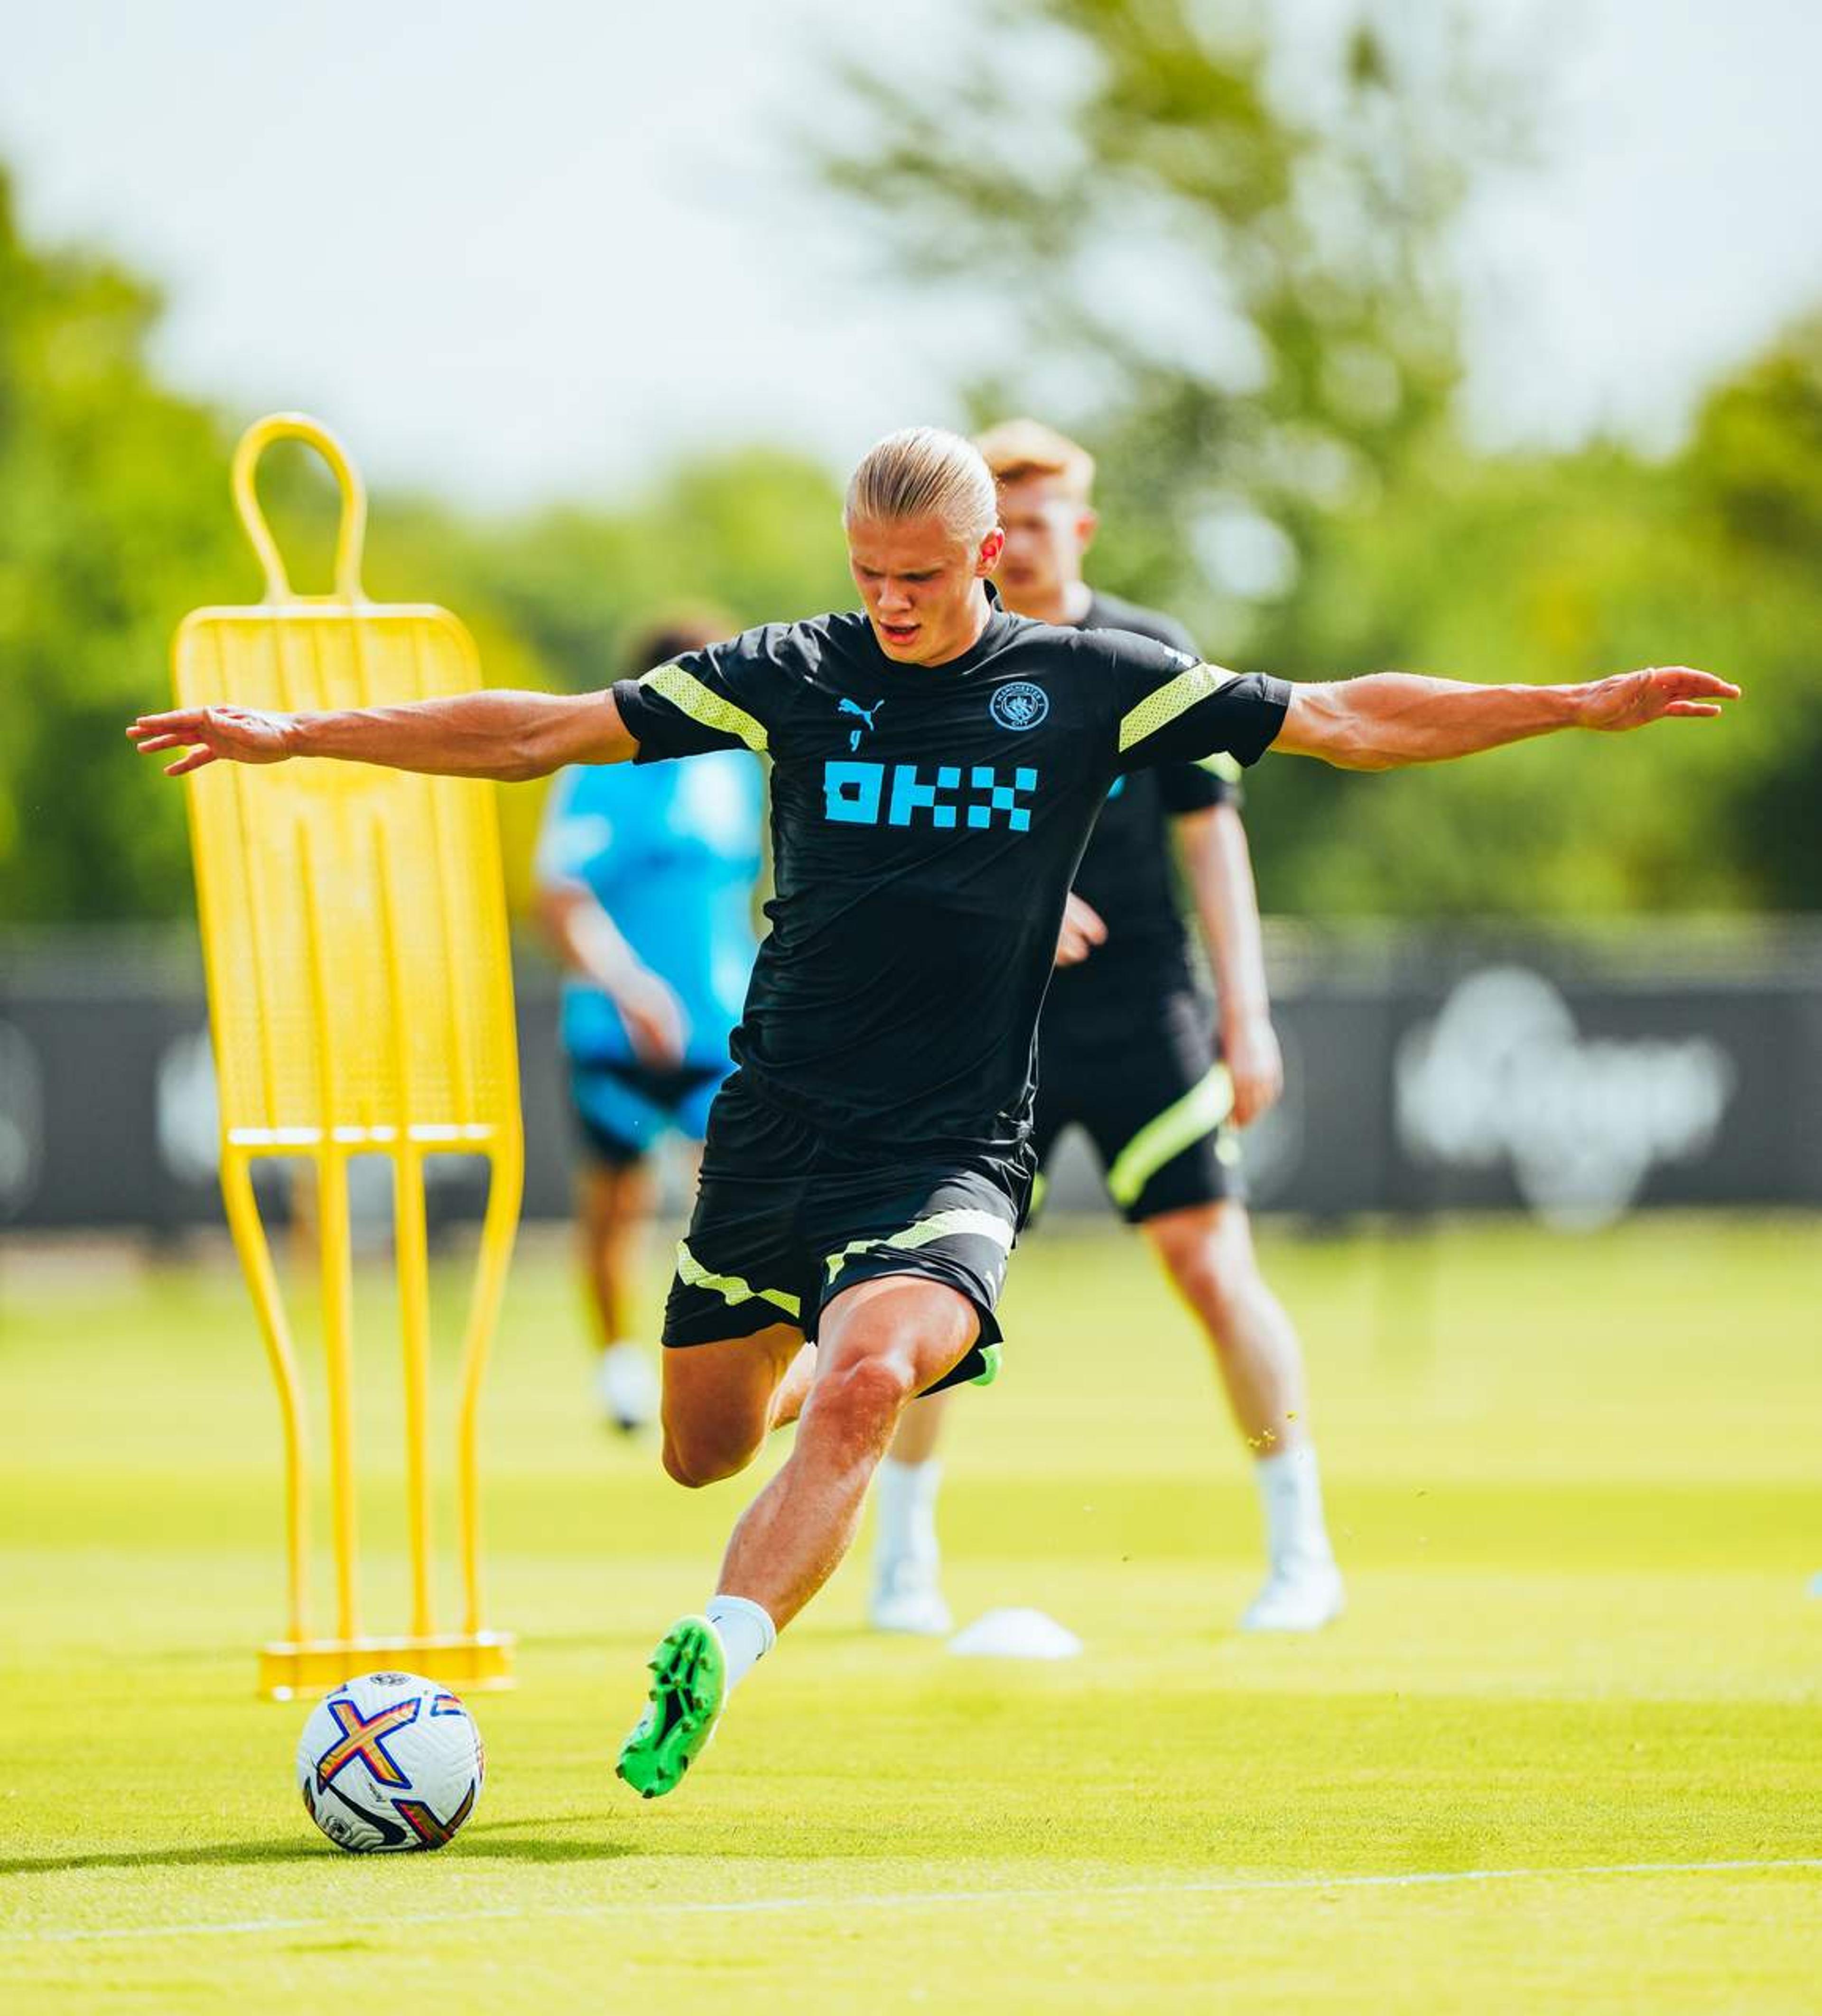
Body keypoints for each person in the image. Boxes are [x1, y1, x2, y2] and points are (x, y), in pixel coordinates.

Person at [130, 425, 1736, 1801]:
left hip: (955, 1141)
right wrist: (295, 735)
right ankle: (775, 1463)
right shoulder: (791, 671)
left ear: (991, 557)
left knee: (873, 1372)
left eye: (923, 574)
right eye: (869, 571)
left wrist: (1570, 704)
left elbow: (1348, 717)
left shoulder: (1100, 680)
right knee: (705, 1446)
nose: (892, 603)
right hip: (774, 1127)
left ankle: (718, 1645)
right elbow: (539, 730)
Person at [869, 420, 1335, 1637]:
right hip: (987, 1033)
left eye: (1037, 522)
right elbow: (882, 837)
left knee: (1211, 1268)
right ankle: (901, 1564)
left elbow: (1209, 829)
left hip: (1141, 1020)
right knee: (934, 1302)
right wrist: (1007, 893)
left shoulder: (1148, 652)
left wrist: (1249, 1014)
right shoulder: (927, 658)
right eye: (997, 524)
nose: (1015, 545)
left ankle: (1302, 1553)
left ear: (1076, 527)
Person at [534, 615, 764, 1430]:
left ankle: (724, 1367)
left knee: (742, 1201)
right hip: (616, 1033)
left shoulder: (735, 771)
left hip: (717, 1031)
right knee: (617, 1209)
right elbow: (560, 899)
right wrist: (630, 986)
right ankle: (617, 1369)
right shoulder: (599, 770)